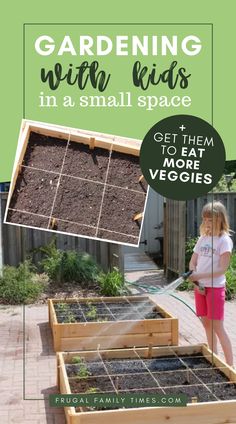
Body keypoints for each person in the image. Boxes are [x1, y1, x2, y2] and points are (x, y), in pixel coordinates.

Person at [188, 201, 234, 366]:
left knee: (218, 327)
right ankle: (214, 359)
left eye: (210, 219)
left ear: (220, 219)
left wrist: (199, 275)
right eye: (205, 219)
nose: (207, 222)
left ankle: (230, 366)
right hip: (200, 287)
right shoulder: (203, 238)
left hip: (215, 288)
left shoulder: (224, 241)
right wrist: (195, 276)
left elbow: (222, 269)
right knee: (207, 323)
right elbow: (192, 262)